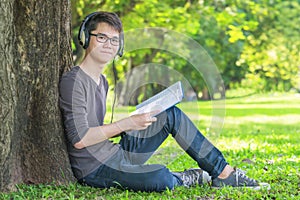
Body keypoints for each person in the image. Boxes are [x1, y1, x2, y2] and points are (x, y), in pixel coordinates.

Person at [59, 11, 269, 192]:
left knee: (169, 114)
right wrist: (127, 124)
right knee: (159, 176)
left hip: (116, 153)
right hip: (95, 169)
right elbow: (80, 139)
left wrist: (134, 121)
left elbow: (96, 128)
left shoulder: (101, 81)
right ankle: (186, 177)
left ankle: (224, 173)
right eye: (102, 37)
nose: (109, 44)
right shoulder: (74, 81)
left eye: (114, 40)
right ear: (86, 38)